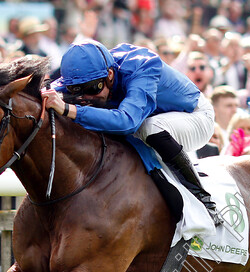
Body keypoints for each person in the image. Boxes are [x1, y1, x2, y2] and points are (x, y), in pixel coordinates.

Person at [42, 40, 222, 225]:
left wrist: (67, 108)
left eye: (92, 88)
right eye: (76, 90)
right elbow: (45, 92)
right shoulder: (88, 74)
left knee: (147, 128)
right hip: (155, 121)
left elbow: (128, 122)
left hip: (196, 116)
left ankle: (204, 202)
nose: (87, 96)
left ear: (110, 75)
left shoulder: (141, 66)